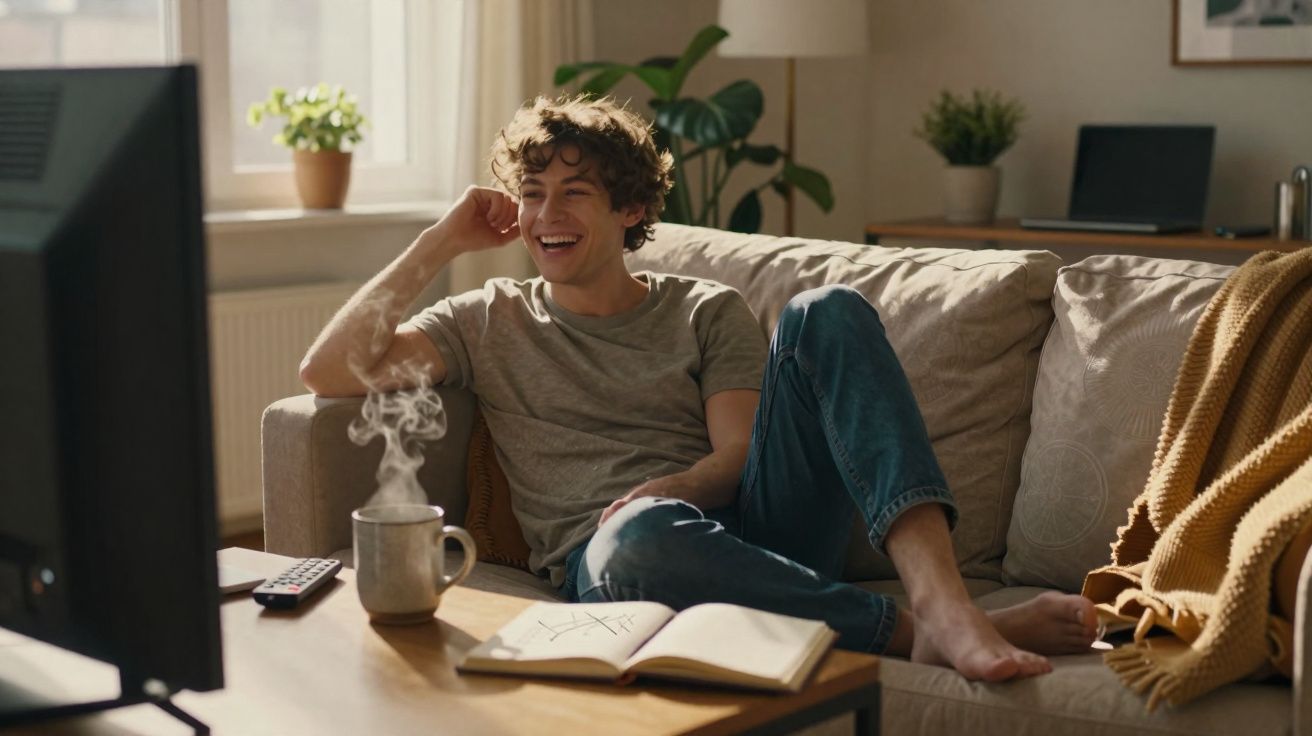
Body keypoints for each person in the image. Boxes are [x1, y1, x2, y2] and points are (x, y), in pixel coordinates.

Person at [299, 95, 1098, 681]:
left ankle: (947, 603)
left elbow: (739, 454)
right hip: (620, 562)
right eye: (532, 193)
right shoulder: (486, 318)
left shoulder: (704, 309)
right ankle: (916, 633)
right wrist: (440, 242)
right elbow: (328, 370)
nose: (546, 214)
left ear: (630, 209)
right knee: (640, 537)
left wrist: (675, 485)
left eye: (574, 193)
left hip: (757, 528)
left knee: (828, 310)